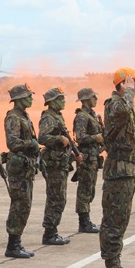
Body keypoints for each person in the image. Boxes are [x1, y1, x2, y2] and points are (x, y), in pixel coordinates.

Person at [99, 68, 135, 268]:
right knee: (114, 220)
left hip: (125, 170)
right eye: (133, 81)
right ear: (122, 84)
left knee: (121, 219)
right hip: (117, 171)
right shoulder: (116, 104)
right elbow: (123, 111)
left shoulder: (124, 104)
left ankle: (115, 264)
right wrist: (128, 92)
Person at [38, 87, 82, 245]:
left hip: (61, 163)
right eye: (60, 99)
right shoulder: (49, 117)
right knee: (55, 198)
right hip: (54, 165)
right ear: (52, 102)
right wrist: (58, 140)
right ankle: (49, 233)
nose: (63, 101)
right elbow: (42, 138)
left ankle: (53, 230)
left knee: (60, 198)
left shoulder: (57, 116)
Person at [3, 84, 40, 258]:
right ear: (19, 99)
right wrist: (30, 144)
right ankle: (13, 245)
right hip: (18, 168)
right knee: (19, 205)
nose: (31, 98)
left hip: (26, 167)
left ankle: (16, 242)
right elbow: (12, 143)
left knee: (24, 205)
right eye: (28, 96)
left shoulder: (24, 116)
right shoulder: (13, 117)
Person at [73, 87, 104, 233]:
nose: (95, 99)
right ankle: (84, 222)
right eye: (93, 97)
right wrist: (95, 138)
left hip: (93, 157)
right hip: (85, 158)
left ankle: (86, 219)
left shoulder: (92, 115)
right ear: (85, 100)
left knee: (90, 189)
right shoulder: (82, 116)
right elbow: (80, 137)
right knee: (85, 189)